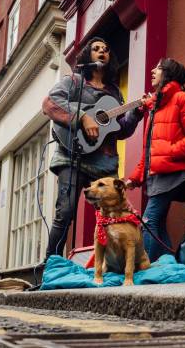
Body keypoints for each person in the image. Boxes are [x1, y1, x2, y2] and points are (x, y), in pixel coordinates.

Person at [42, 37, 143, 260]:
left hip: (104, 163)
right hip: (72, 155)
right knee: (65, 213)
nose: (102, 52)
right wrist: (82, 117)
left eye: (106, 49)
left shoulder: (115, 92)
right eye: (96, 49)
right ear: (87, 55)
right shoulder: (74, 82)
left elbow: (121, 130)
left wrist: (135, 114)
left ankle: (109, 265)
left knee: (113, 213)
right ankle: (50, 267)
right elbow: (50, 103)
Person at [127, 58, 185, 262]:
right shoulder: (155, 108)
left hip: (172, 173)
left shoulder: (182, 98)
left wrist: (170, 152)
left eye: (158, 68)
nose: (153, 70)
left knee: (148, 220)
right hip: (157, 174)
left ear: (168, 74)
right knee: (158, 224)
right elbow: (149, 151)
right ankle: (169, 267)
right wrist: (134, 178)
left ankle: (147, 270)